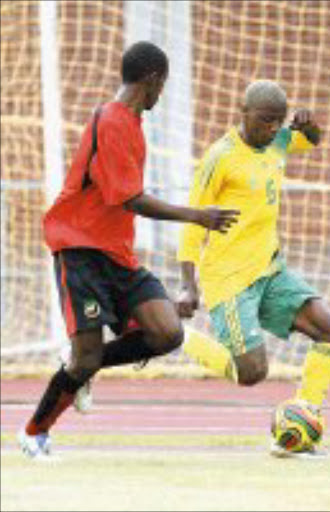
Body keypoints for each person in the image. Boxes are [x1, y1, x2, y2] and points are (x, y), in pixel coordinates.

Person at [18, 41, 239, 458]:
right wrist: (197, 215)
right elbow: (131, 199)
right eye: (163, 86)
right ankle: (34, 433)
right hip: (80, 250)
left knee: (167, 332)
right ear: (153, 79)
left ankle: (85, 364)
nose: (162, 95)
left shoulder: (134, 124)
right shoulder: (112, 121)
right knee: (83, 361)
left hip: (117, 255)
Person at [176, 79, 330, 457]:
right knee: (251, 372)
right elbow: (192, 223)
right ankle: (173, 335)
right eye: (266, 120)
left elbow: (312, 139)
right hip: (229, 280)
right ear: (244, 112)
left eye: (278, 121)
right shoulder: (219, 157)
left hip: (270, 270)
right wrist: (188, 285)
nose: (273, 128)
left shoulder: (279, 142)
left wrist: (309, 123)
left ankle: (303, 419)